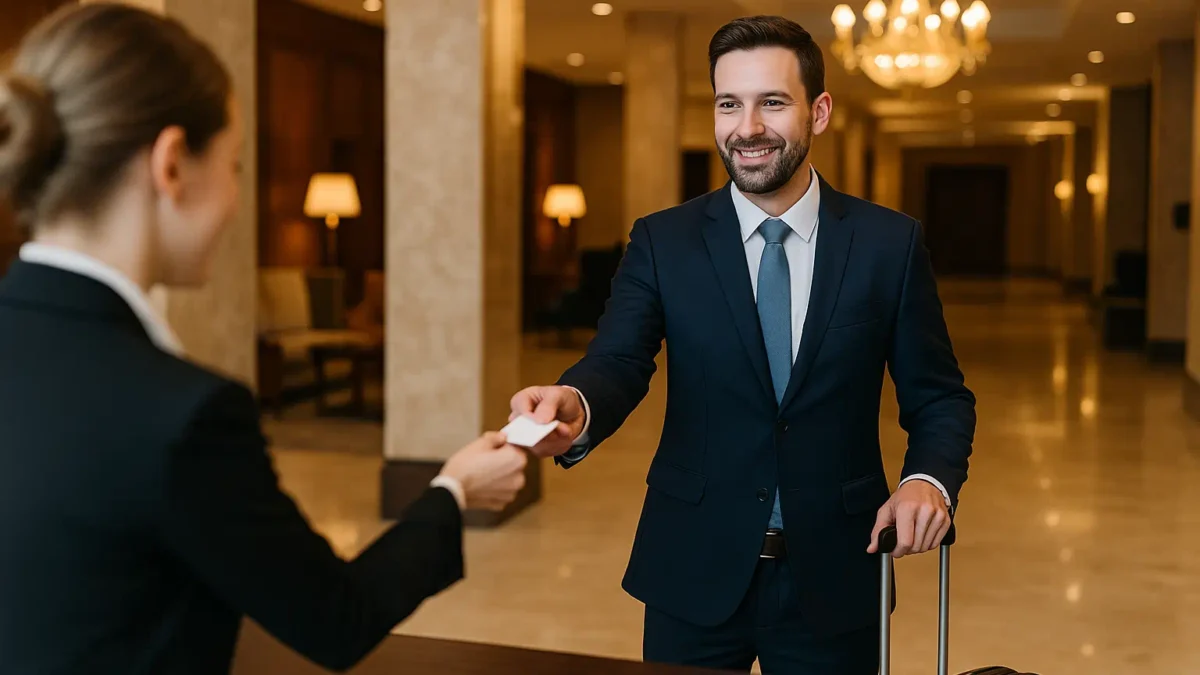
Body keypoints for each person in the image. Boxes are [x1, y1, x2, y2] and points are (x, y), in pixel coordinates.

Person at [0, 4, 527, 674]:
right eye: (237, 165)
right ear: (171, 166)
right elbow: (337, 616)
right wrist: (452, 489)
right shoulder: (184, 415)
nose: (236, 197)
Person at [510, 15, 976, 675]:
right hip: (690, 567)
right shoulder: (662, 240)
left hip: (838, 575)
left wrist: (928, 480)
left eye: (772, 102)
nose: (747, 127)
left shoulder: (887, 246)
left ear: (818, 111)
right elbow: (617, 359)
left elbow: (940, 397)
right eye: (729, 103)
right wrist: (574, 402)